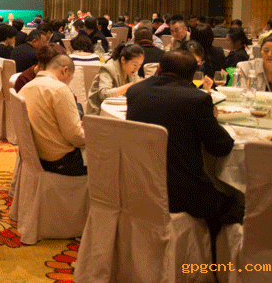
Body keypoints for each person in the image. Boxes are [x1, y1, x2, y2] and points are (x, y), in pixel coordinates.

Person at [126, 50, 241, 250]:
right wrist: (212, 119)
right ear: (192, 76)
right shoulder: (197, 99)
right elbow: (220, 147)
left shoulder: (136, 91)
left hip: (138, 183)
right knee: (237, 206)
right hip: (180, 193)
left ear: (159, 69)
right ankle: (213, 263)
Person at [19, 55, 86, 176]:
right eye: (70, 79)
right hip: (60, 161)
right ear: (65, 70)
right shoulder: (60, 89)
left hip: (35, 157)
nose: (68, 83)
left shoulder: (25, 88)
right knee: (108, 153)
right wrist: (94, 136)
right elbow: (76, 137)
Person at [86, 43, 144, 115]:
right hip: (99, 113)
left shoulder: (133, 70)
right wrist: (132, 84)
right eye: (135, 64)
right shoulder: (109, 68)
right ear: (123, 60)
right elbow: (104, 94)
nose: (137, 68)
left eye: (140, 65)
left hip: (120, 108)